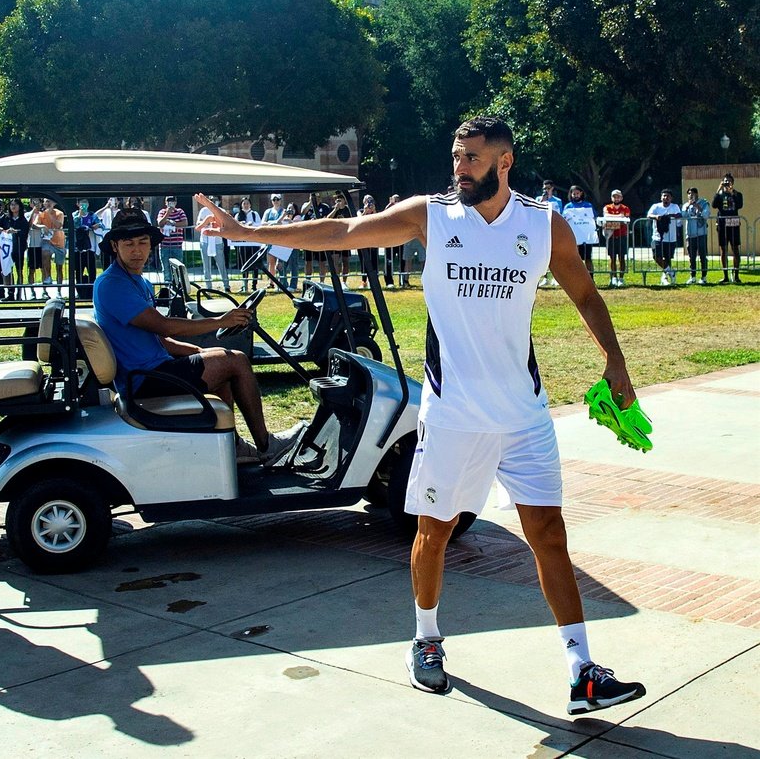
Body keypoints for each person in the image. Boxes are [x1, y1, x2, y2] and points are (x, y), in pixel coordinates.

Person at [194, 116, 646, 715]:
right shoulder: (434, 216)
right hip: (453, 415)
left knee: (549, 536)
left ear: (504, 162)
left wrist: (615, 363)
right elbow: (346, 229)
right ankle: (426, 640)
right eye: (456, 157)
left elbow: (586, 295)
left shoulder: (542, 226)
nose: (459, 168)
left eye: (472, 159)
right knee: (431, 533)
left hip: (523, 415)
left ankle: (581, 668)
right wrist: (250, 232)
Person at [92, 209, 305, 466]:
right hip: (144, 381)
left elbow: (158, 339)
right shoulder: (112, 284)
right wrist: (221, 321)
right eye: (129, 244)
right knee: (236, 361)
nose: (137, 250)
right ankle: (266, 445)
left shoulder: (137, 281)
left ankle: (233, 446)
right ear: (115, 246)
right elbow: (165, 327)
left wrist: (193, 351)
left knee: (221, 368)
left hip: (154, 370)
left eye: (142, 243)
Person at [0, 197, 31, 300]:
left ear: (19, 206)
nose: (13, 206)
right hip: (7, 248)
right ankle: (10, 293)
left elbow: (24, 232)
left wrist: (15, 231)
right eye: (11, 205)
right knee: (7, 270)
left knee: (19, 270)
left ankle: (19, 294)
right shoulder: (6, 217)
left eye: (15, 204)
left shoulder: (23, 219)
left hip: (19, 247)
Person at [195, 195, 233, 291]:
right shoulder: (203, 210)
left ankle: (226, 285)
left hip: (217, 241)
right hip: (205, 240)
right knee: (206, 265)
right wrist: (207, 222)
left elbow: (225, 224)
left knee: (221, 264)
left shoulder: (221, 211)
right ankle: (208, 286)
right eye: (211, 200)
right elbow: (198, 224)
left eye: (215, 200)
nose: (213, 202)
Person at [712, 174, 744, 285]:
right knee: (723, 250)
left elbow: (739, 205)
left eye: (729, 181)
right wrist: (719, 189)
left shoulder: (737, 194)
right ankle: (725, 276)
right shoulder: (720, 194)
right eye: (725, 181)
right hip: (722, 225)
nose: (727, 183)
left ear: (733, 183)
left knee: (735, 249)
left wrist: (732, 193)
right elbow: (714, 205)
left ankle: (736, 275)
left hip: (733, 224)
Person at [647, 189, 682, 286]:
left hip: (671, 237)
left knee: (667, 258)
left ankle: (665, 277)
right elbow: (649, 215)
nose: (665, 198)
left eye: (668, 196)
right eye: (664, 196)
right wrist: (656, 217)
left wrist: (669, 216)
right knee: (656, 256)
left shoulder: (674, 207)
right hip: (657, 236)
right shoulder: (656, 206)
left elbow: (679, 215)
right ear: (661, 197)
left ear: (671, 198)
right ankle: (671, 272)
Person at [562, 185, 598, 278]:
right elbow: (563, 220)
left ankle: (591, 278)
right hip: (574, 237)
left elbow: (593, 217)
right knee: (575, 258)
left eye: (578, 193)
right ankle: (576, 277)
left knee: (588, 258)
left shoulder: (588, 205)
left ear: (581, 193)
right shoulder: (568, 206)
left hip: (586, 237)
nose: (576, 195)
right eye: (574, 194)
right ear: (571, 194)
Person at [536, 180, 563, 287]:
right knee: (544, 255)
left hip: (554, 230)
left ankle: (556, 278)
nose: (546, 190)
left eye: (548, 188)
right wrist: (542, 200)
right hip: (542, 230)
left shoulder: (558, 201)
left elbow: (560, 214)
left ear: (552, 188)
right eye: (544, 188)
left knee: (555, 255)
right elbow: (535, 211)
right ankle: (545, 278)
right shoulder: (538, 199)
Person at [602, 190, 631, 288]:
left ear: (621, 198)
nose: (616, 198)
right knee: (612, 258)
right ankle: (613, 277)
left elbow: (625, 220)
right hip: (611, 236)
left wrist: (612, 221)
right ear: (611, 198)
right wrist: (619, 218)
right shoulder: (607, 207)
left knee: (622, 258)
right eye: (614, 197)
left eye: (618, 197)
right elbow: (606, 216)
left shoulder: (625, 208)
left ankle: (621, 278)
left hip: (622, 235)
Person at [233, 197, 262, 293]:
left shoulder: (254, 214)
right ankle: (244, 285)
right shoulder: (238, 215)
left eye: (247, 203)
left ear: (250, 204)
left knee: (255, 264)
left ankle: (254, 285)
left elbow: (259, 225)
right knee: (244, 264)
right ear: (241, 205)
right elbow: (235, 226)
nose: (246, 205)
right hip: (243, 243)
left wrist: (252, 224)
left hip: (254, 242)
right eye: (244, 203)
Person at [156, 195, 188, 284]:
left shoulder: (180, 212)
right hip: (164, 245)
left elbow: (185, 223)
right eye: (169, 201)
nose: (171, 203)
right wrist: (167, 214)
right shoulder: (162, 212)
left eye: (173, 201)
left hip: (177, 245)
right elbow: (160, 223)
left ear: (175, 202)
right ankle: (168, 288)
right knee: (166, 269)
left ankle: (179, 287)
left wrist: (172, 223)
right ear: (166, 203)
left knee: (179, 268)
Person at [682, 187, 711, 285]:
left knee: (703, 256)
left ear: (697, 194)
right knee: (692, 257)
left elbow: (706, 215)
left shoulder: (704, 203)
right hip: (690, 234)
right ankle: (693, 276)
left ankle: (704, 277)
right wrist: (687, 207)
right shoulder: (686, 205)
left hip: (701, 234)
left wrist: (698, 207)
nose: (691, 195)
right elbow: (683, 216)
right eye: (689, 193)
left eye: (693, 193)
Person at [300, 192, 330, 283]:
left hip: (320, 237)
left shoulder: (325, 207)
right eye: (313, 197)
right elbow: (303, 212)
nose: (315, 199)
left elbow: (327, 218)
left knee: (322, 261)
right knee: (308, 261)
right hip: (308, 237)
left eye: (317, 197)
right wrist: (310, 202)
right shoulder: (307, 205)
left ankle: (322, 281)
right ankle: (308, 280)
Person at [326, 190, 353, 285]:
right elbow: (327, 220)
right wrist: (335, 210)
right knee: (335, 261)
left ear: (344, 200)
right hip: (336, 239)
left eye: (340, 199)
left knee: (345, 261)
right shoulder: (333, 209)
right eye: (337, 200)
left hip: (346, 238)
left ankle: (344, 282)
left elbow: (352, 221)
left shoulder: (348, 210)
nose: (338, 201)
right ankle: (336, 281)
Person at [261, 194, 287, 284]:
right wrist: (275, 223)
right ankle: (271, 282)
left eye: (278, 199)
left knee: (280, 264)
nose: (276, 201)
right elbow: (263, 223)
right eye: (274, 199)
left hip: (281, 240)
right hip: (270, 240)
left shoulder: (284, 211)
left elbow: (284, 223)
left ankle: (283, 282)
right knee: (271, 262)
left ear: (280, 200)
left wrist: (271, 223)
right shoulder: (268, 211)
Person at [383, 193, 407, 289]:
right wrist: (390, 205)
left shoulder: (403, 209)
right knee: (389, 261)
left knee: (402, 260)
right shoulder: (388, 209)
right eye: (394, 200)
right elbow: (383, 216)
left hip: (400, 239)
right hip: (389, 240)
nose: (396, 202)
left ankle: (402, 280)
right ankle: (389, 281)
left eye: (398, 200)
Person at [357, 194, 379, 289]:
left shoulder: (375, 211)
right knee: (363, 261)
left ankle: (373, 281)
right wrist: (365, 212)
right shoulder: (360, 211)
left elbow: (378, 220)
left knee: (374, 260)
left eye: (370, 200)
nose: (369, 202)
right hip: (362, 239)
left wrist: (373, 211)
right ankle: (364, 281)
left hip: (373, 239)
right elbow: (358, 221)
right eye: (367, 201)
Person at [24, 197, 45, 299]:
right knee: (31, 269)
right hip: (31, 245)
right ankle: (32, 291)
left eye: (38, 202)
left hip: (42, 245)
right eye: (34, 202)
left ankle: (44, 290)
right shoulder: (27, 214)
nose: (37, 204)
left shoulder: (44, 214)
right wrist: (33, 211)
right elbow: (30, 225)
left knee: (44, 269)